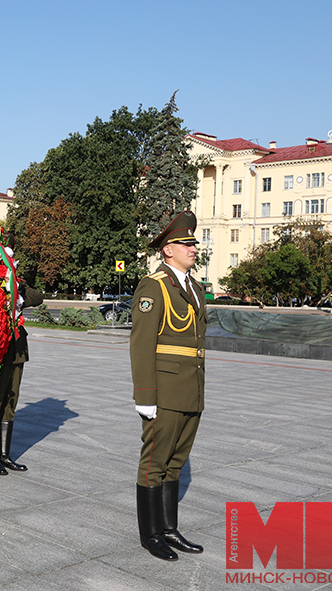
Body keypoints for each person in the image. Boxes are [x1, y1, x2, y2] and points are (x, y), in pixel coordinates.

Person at [130, 210, 206, 562]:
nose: (193, 247)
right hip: (164, 390)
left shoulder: (196, 288)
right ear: (167, 250)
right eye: (185, 243)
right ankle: (150, 534)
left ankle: (169, 529)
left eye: (193, 242)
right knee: (154, 463)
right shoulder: (154, 286)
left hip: (190, 390)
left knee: (176, 462)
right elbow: (142, 343)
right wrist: (145, 396)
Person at [0, 247, 44, 475]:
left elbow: (38, 297)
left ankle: (5, 455)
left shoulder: (17, 282)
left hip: (17, 350)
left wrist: (17, 294)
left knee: (11, 402)